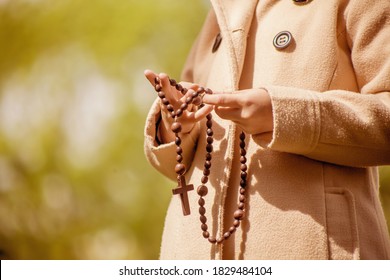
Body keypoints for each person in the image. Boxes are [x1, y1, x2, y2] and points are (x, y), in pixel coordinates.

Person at [143, 0, 390, 259]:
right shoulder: (221, 11)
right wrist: (175, 127)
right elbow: (182, 166)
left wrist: (280, 113)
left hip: (311, 249)